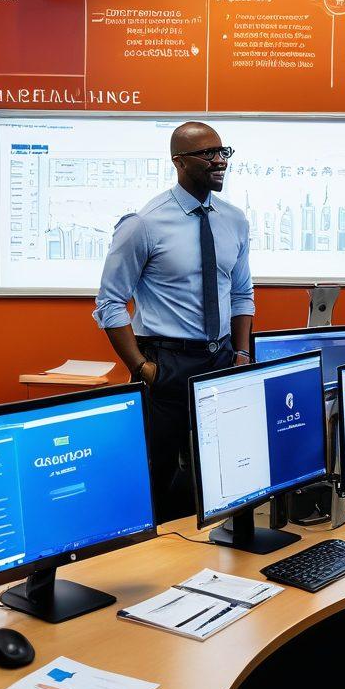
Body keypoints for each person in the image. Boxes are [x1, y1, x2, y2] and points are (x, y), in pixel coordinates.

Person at [93, 121, 254, 522]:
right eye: (208, 155)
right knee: (156, 480)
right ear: (179, 162)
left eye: (223, 152)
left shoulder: (235, 221)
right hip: (166, 363)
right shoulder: (143, 224)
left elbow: (241, 294)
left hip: (220, 361)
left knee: (219, 475)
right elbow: (110, 303)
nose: (220, 162)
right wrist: (142, 369)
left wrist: (242, 354)